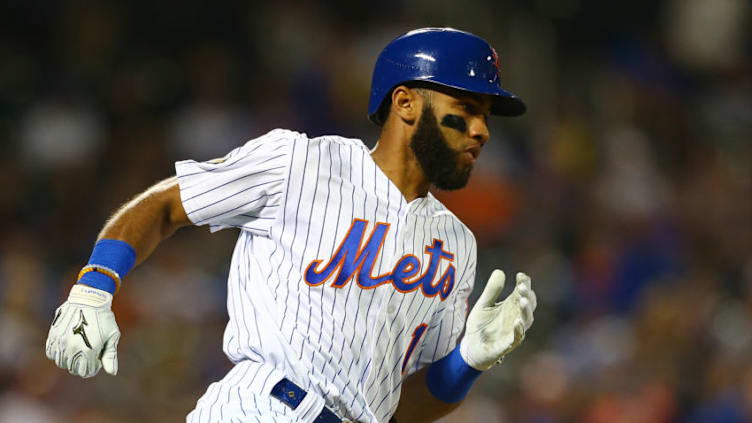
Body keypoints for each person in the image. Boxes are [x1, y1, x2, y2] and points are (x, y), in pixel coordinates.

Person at [45, 27, 537, 423]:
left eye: (486, 116)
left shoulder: (456, 245)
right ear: (405, 103)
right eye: (466, 110)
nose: (482, 130)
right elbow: (167, 204)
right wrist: (94, 286)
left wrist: (466, 363)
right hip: (262, 409)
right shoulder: (299, 162)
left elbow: (401, 409)